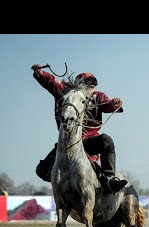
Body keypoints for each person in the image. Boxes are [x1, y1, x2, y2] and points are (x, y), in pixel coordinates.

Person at [31, 64, 128, 194]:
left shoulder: (98, 96)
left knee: (106, 141)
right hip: (67, 143)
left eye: (93, 85)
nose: (91, 88)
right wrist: (40, 74)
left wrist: (114, 104)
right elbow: (52, 82)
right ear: (78, 85)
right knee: (42, 170)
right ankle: (64, 186)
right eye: (88, 85)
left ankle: (109, 179)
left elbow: (108, 105)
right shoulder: (66, 92)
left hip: (89, 142)